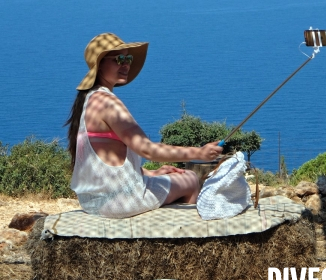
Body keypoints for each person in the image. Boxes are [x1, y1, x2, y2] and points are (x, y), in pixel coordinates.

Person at [65, 32, 223, 218]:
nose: (126, 64)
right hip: (119, 203)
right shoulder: (108, 103)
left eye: (128, 58)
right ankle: (183, 235)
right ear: (100, 66)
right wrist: (199, 153)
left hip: (94, 202)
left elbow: (108, 163)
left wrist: (150, 172)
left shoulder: (89, 100)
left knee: (172, 178)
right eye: (119, 59)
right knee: (190, 179)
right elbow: (147, 150)